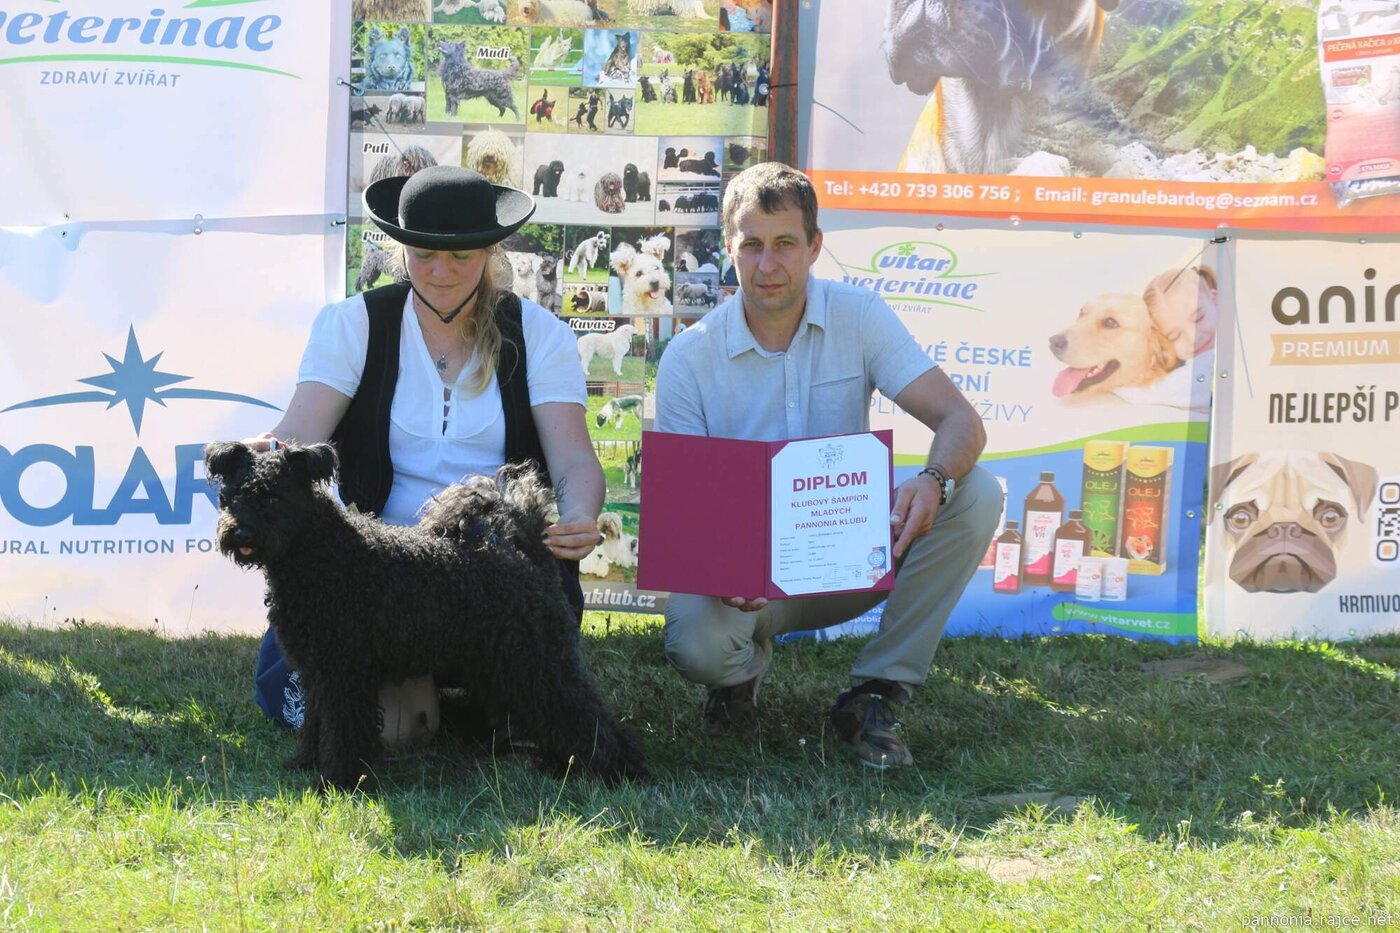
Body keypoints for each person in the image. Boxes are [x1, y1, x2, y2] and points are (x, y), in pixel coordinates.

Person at [653, 162, 1002, 769]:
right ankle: (737, 677)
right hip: (745, 579)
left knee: (976, 493)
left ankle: (876, 692)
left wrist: (933, 480)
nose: (768, 265)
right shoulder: (688, 357)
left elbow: (961, 421)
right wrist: (722, 568)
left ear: (815, 246)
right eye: (752, 245)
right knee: (697, 645)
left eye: (785, 244)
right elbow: (683, 508)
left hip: (847, 562)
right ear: (729, 249)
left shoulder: (859, 316)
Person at [247, 165, 605, 744]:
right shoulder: (352, 324)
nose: (440, 272)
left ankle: (487, 701)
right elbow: (295, 436)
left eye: (460, 256)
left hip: (500, 570)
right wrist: (264, 453)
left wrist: (580, 513)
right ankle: (450, 703)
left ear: (489, 252)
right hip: (382, 579)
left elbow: (575, 462)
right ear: (401, 250)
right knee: (393, 731)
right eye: (423, 255)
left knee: (537, 715)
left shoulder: (540, 334)